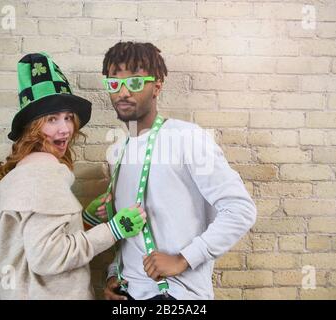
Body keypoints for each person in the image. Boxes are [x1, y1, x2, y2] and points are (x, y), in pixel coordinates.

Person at [85, 42, 257, 300]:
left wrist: (183, 259)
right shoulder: (118, 152)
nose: (122, 92)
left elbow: (240, 210)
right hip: (127, 293)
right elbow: (132, 233)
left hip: (176, 295)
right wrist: (113, 274)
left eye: (134, 82)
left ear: (157, 86)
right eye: (114, 83)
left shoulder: (187, 138)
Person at [0, 52, 146, 300]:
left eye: (67, 117)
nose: (65, 128)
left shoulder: (25, 170)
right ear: (32, 128)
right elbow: (48, 257)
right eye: (52, 119)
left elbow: (35, 241)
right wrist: (114, 230)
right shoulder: (41, 172)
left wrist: (84, 220)